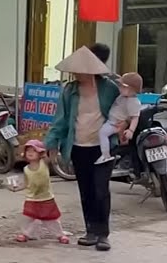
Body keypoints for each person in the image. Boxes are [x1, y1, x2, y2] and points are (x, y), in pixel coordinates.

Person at [44, 46, 121, 251]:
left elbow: (126, 107)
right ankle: (91, 230)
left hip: (103, 147)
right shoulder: (69, 91)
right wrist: (51, 143)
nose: (76, 72)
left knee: (100, 189)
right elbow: (60, 120)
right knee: (86, 191)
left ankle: (103, 233)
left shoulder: (110, 88)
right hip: (78, 146)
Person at [7, 139, 68, 244]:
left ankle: (60, 235)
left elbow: (51, 157)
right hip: (31, 198)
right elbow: (27, 184)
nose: (30, 153)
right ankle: (26, 234)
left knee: (51, 219)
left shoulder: (44, 163)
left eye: (34, 150)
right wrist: (16, 188)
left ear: (40, 153)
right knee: (28, 218)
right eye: (28, 150)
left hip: (46, 198)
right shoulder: (26, 169)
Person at [98, 71, 144, 164]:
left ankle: (105, 155)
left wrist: (131, 130)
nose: (120, 88)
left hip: (115, 123)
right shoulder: (123, 97)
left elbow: (135, 117)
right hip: (111, 121)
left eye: (123, 87)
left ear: (131, 89)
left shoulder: (133, 102)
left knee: (102, 133)